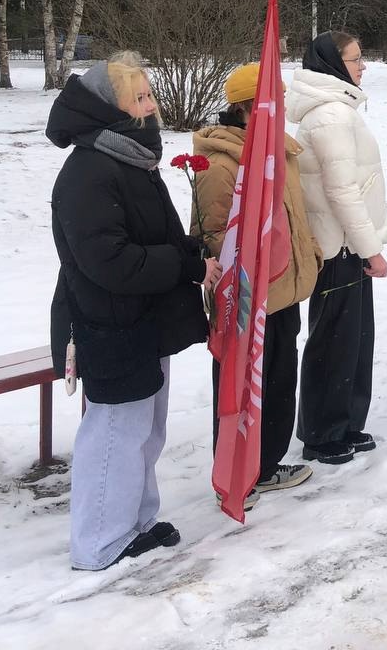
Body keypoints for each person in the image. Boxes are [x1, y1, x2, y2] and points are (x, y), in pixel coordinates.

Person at [48, 53, 219, 570]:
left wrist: (194, 256)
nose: (151, 108)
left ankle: (135, 521)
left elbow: (155, 236)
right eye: (139, 99)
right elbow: (109, 261)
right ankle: (100, 540)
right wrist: (182, 266)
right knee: (117, 434)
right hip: (110, 324)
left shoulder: (129, 160)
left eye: (149, 96)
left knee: (147, 428)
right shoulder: (90, 171)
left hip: (144, 321)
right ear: (110, 110)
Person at [194, 63, 322, 499]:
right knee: (241, 388)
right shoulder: (221, 164)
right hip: (250, 301)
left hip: (285, 291)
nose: (283, 107)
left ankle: (265, 464)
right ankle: (235, 471)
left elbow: (293, 217)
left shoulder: (279, 150)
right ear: (250, 107)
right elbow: (213, 235)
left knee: (280, 381)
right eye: (276, 99)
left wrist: (311, 256)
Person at [289, 31, 387, 465]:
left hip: (350, 246)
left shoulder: (339, 109)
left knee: (354, 340)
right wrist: (371, 249)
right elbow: (342, 191)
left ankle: (347, 421)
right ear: (332, 64)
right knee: (333, 342)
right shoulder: (331, 115)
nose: (363, 66)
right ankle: (321, 431)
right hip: (339, 248)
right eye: (355, 58)